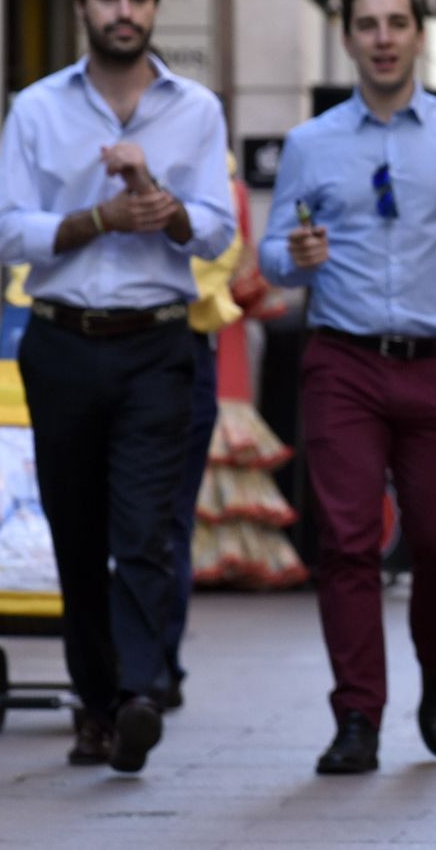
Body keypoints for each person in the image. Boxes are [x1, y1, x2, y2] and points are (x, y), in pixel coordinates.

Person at [0, 0, 235, 773]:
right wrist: (96, 219)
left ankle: (138, 696)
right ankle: (95, 703)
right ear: (82, 7)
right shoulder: (37, 108)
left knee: (147, 528)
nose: (124, 12)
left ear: (155, 7)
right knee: (78, 533)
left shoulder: (195, 109)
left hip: (157, 343)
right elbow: (2, 231)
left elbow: (217, 229)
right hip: (62, 342)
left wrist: (162, 208)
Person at [259, 0, 436, 776]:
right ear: (347, 38)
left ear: (418, 35)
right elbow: (272, 253)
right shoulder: (312, 144)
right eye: (367, 25)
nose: (383, 38)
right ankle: (357, 714)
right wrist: (293, 258)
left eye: (396, 23)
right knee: (346, 540)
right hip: (344, 362)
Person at [164, 154, 246, 709]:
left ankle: (155, 665)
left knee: (169, 519)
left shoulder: (211, 162)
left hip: (180, 343)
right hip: (88, 344)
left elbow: (218, 258)